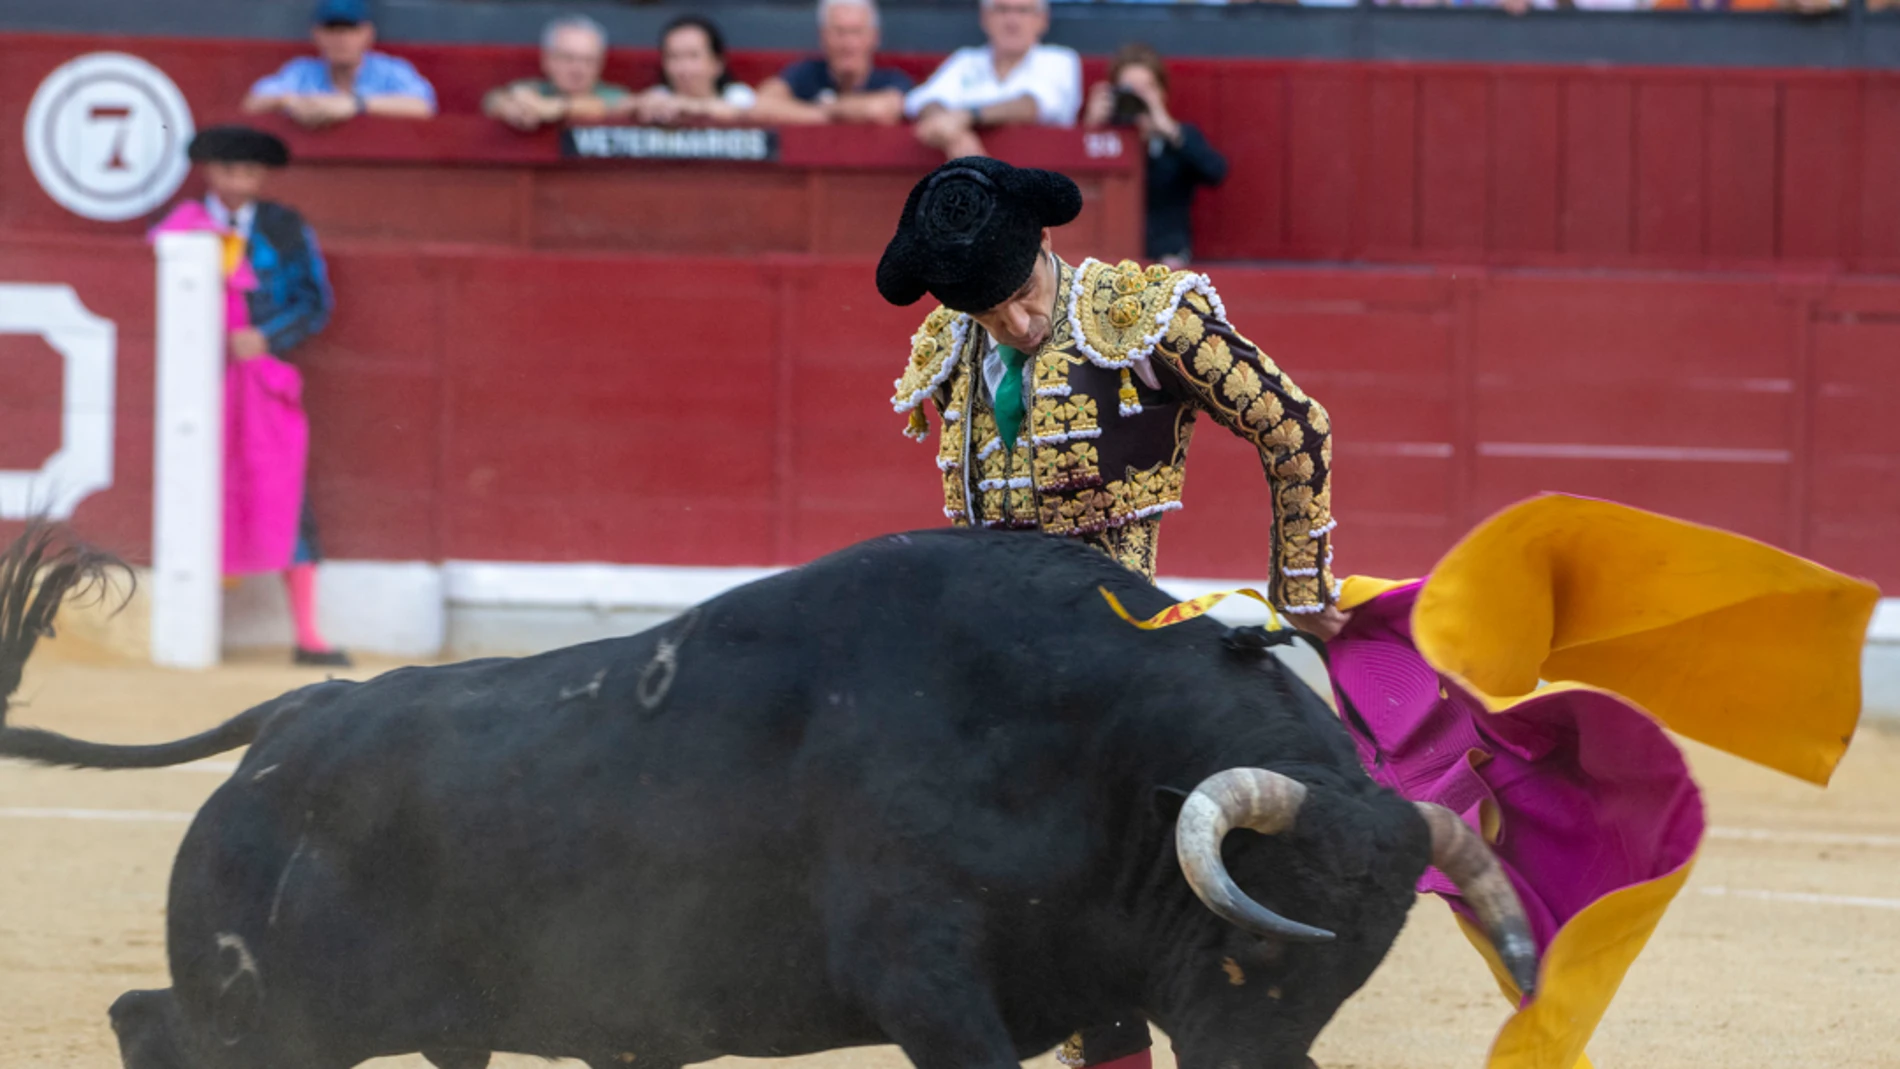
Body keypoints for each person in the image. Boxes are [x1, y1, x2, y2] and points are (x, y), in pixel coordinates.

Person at [879, 157, 1344, 1069]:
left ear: (1045, 243)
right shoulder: (949, 345)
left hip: (1129, 669)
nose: (1014, 323)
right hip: (1006, 690)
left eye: (1019, 295)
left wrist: (1301, 579)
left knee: (1178, 901)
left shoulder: (1140, 317)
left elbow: (1296, 425)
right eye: (988, 313)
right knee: (1046, 919)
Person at [147, 126, 350, 669]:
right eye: (230, 169)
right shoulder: (181, 227)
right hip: (195, 384)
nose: (241, 179)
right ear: (210, 171)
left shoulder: (285, 228)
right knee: (196, 491)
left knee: (283, 490)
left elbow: (315, 302)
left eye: (250, 171)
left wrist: (268, 337)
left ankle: (308, 635)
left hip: (261, 380)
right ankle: (189, 622)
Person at [1082, 44, 1227, 268]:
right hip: (1107, 256)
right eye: (1129, 90)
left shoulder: (1178, 137)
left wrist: (1168, 128)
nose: (1138, 100)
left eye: (1147, 89)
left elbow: (1215, 171)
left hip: (1166, 254)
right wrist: (1090, 128)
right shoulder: (1104, 138)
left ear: (1162, 93)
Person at [903, 0, 1081, 158]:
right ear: (985, 17)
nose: (1012, 21)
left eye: (1023, 11)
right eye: (1002, 10)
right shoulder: (965, 61)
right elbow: (923, 100)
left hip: (1041, 178)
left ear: (1042, 19)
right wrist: (949, 130)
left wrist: (967, 116)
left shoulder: (1060, 60)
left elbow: (1032, 105)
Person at [242, 0, 437, 129]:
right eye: (332, 30)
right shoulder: (302, 71)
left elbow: (422, 106)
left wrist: (354, 104)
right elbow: (253, 103)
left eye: (350, 30)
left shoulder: (391, 70)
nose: (341, 39)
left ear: (368, 33)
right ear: (316, 34)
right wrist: (293, 102)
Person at [752, 0, 914, 125]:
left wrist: (825, 108)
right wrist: (827, 115)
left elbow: (879, 110)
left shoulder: (892, 78)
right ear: (823, 36)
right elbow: (761, 105)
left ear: (874, 37)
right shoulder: (807, 72)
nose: (848, 44)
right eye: (839, 32)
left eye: (856, 32)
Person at [483, 14, 632, 131]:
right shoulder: (538, 89)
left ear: (601, 64)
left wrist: (554, 108)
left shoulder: (615, 96)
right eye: (568, 58)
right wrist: (510, 108)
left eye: (589, 61)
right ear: (547, 60)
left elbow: (620, 106)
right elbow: (493, 99)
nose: (578, 70)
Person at [632, 15, 757, 126]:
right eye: (674, 56)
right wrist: (641, 105)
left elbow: (740, 112)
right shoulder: (660, 95)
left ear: (718, 63)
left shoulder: (737, 94)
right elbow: (621, 105)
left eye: (693, 56)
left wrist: (687, 106)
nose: (684, 68)